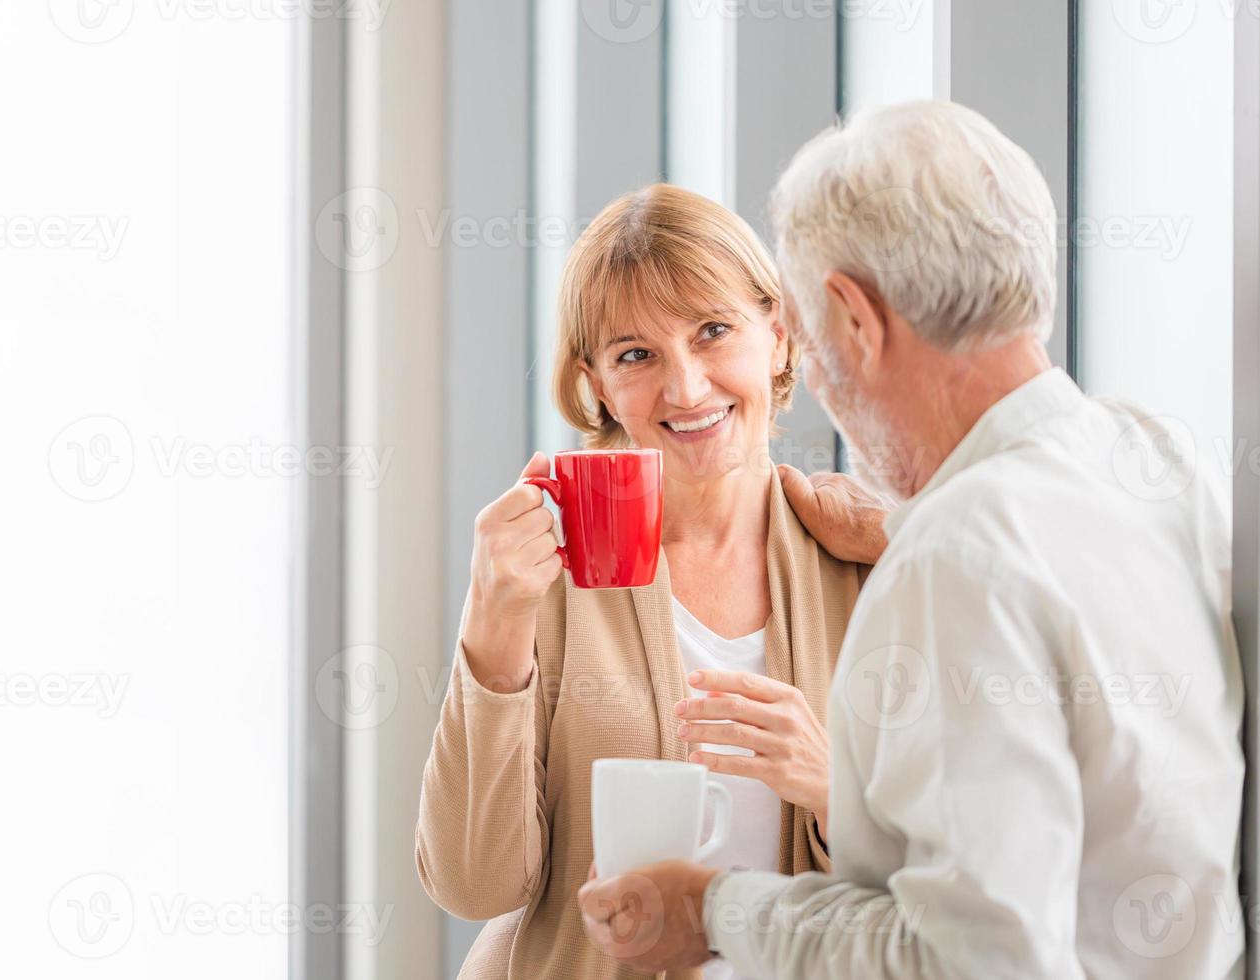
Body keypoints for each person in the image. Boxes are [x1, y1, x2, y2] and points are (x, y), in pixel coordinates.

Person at [579, 100, 1246, 979]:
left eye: (810, 341)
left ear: (854, 319)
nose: (811, 376)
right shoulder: (1159, 464)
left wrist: (712, 909)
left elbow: (969, 958)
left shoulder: (953, 558)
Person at [415, 183, 872, 979]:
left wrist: (835, 792)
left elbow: (959, 892)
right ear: (596, 382)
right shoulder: (544, 576)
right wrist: (492, 623)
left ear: (779, 335)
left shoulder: (865, 566)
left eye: (713, 332)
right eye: (636, 354)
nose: (686, 387)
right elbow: (471, 881)